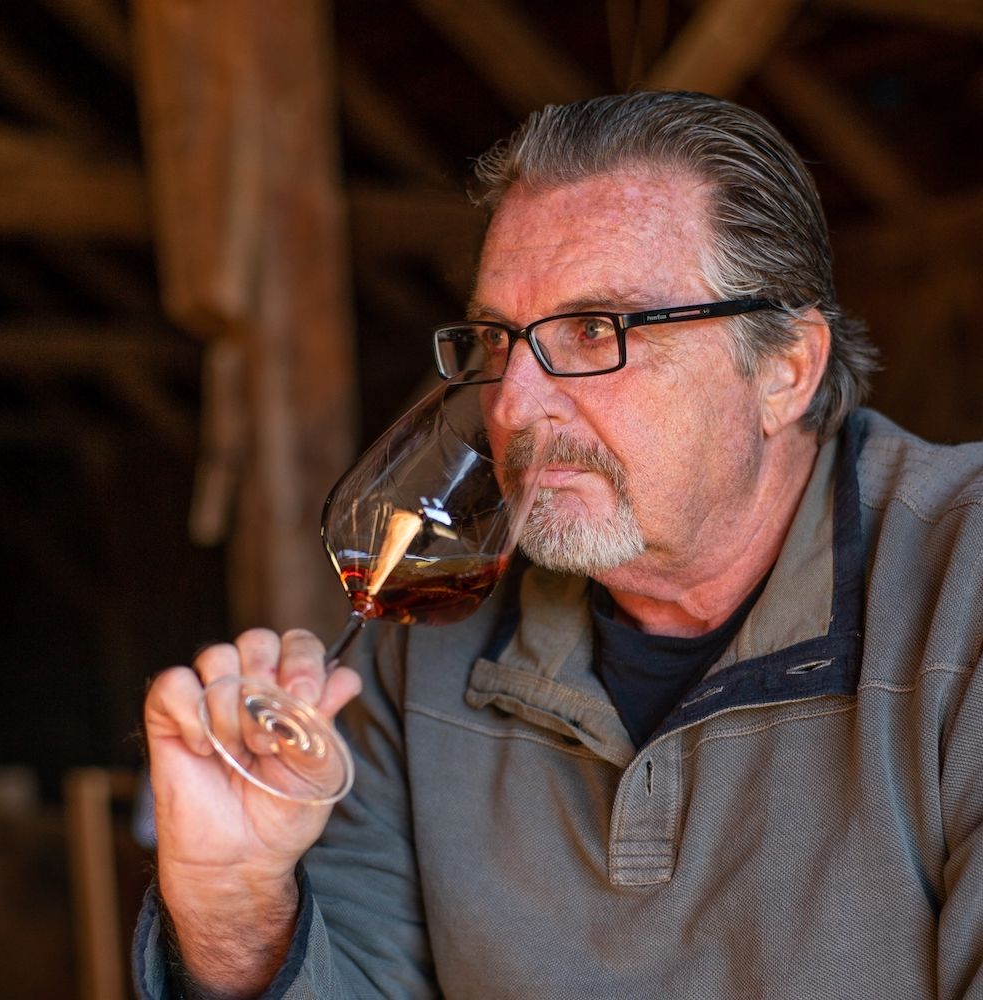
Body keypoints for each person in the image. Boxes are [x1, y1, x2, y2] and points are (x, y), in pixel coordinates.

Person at [134, 90, 983, 999]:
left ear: (784, 368)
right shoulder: (420, 648)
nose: (511, 405)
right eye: (499, 339)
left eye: (594, 330)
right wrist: (233, 905)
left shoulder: (960, 588)